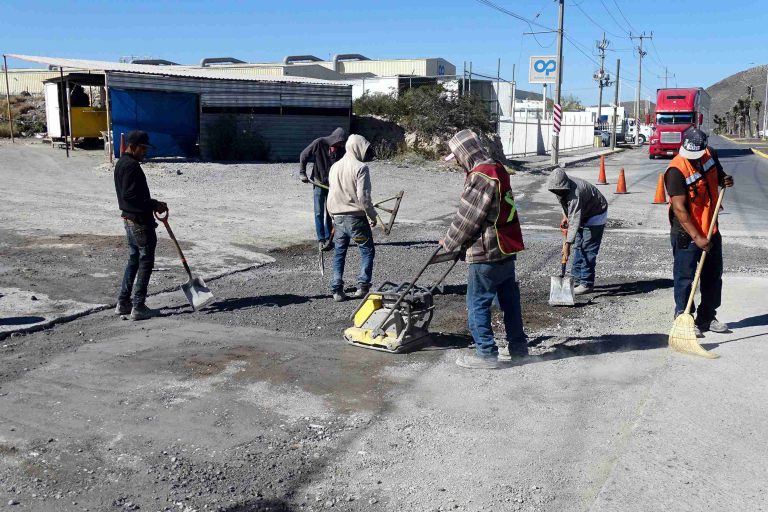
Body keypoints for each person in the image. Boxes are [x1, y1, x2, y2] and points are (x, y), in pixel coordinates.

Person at [441, 129, 526, 370]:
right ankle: (519, 349)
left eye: (457, 157)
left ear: (464, 153)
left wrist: (448, 243)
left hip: (486, 251)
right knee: (510, 302)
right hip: (506, 248)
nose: (457, 162)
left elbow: (467, 219)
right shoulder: (497, 168)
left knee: (478, 302)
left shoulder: (481, 176)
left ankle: (486, 355)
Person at [664, 127, 734, 336]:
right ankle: (685, 317)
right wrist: (697, 237)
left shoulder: (710, 154)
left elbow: (718, 176)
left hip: (711, 228)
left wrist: (725, 180)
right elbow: (679, 208)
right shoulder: (676, 170)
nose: (693, 159)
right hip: (687, 232)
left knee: (713, 275)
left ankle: (707, 316)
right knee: (685, 278)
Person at [114, 131, 168, 321]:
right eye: (143, 149)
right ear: (133, 147)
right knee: (145, 261)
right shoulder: (131, 166)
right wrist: (154, 204)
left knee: (134, 259)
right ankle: (138, 306)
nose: (144, 152)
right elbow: (130, 196)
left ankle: (123, 302)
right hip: (139, 221)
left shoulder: (121, 163)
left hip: (129, 219)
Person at [326, 134, 377, 302]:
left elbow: (330, 193)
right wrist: (372, 215)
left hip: (338, 217)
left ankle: (337, 290)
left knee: (340, 252)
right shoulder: (361, 168)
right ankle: (362, 287)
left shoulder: (335, 166)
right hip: (356, 218)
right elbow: (364, 197)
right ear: (358, 148)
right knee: (367, 249)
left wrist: (332, 215)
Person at [547, 168, 608, 295]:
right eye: (555, 191)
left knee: (588, 248)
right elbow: (565, 206)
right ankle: (576, 279)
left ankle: (586, 283)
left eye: (559, 190)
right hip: (583, 212)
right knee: (579, 247)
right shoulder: (560, 190)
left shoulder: (575, 194)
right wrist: (565, 216)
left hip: (596, 213)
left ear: (565, 185)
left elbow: (575, 219)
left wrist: (567, 244)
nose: (557, 192)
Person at [299, 127, 347, 251]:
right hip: (319, 182)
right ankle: (321, 238)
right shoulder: (319, 143)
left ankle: (328, 237)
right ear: (334, 139)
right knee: (319, 212)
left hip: (332, 185)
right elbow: (304, 155)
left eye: (342, 143)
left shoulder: (341, 150)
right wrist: (302, 173)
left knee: (330, 212)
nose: (339, 145)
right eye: (338, 143)